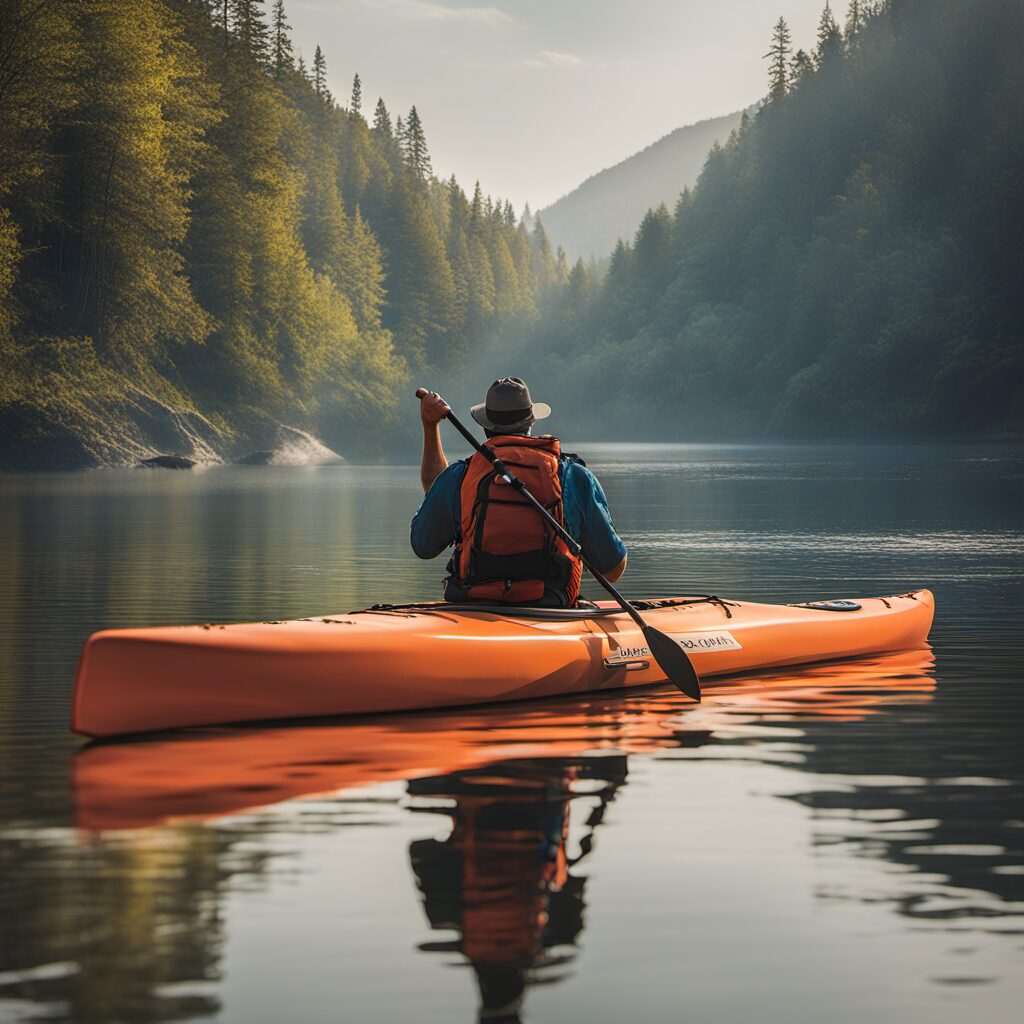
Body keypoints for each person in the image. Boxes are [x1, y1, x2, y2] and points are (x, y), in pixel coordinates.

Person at [411, 377, 627, 607]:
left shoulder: (459, 476)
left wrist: (430, 425)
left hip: (473, 604)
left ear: (485, 426)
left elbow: (424, 545)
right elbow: (611, 570)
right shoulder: (574, 477)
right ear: (531, 421)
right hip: (550, 606)